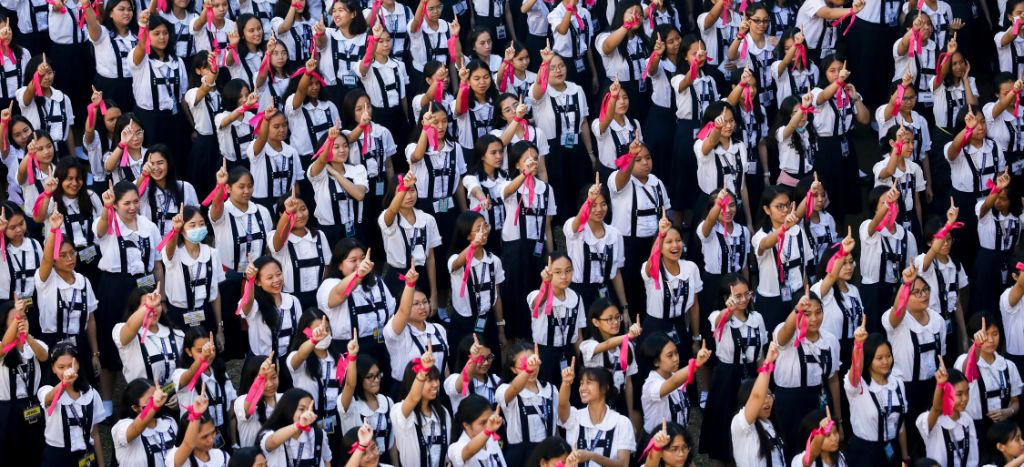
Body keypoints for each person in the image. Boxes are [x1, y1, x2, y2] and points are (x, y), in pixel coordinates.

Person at [701, 275, 768, 464]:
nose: (744, 299)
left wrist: (765, 382)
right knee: (723, 432)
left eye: (747, 293)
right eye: (738, 296)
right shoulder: (718, 316)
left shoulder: (757, 318)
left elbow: (760, 355)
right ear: (726, 297)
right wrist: (729, 309)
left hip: (751, 376)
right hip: (727, 378)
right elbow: (718, 321)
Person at [771, 292, 842, 458]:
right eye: (807, 314)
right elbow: (784, 334)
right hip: (790, 404)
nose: (814, 319)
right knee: (793, 452)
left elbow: (833, 380)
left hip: (819, 403)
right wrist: (798, 310)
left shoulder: (830, 340)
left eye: (818, 312)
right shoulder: (788, 335)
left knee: (820, 452)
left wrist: (838, 419)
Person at [845, 327, 909, 466]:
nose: (885, 361)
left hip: (892, 450)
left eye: (888, 356)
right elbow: (855, 372)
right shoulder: (859, 386)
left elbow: (900, 426)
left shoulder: (897, 382)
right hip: (865, 454)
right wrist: (858, 345)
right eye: (879, 358)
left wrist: (905, 456)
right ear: (869, 359)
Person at [953, 313, 1022, 442]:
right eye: (985, 335)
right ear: (972, 338)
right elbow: (967, 370)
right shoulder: (963, 360)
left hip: (1002, 430)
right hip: (974, 429)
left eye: (995, 334)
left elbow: (1015, 401)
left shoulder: (1009, 366)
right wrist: (977, 346)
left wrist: (1009, 411)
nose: (990, 340)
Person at [38, 341, 106, 466]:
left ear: (78, 365)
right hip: (57, 457)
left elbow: (95, 433)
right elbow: (49, 399)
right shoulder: (46, 390)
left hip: (86, 455)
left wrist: (101, 464)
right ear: (53, 368)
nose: (66, 371)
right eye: (61, 367)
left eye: (70, 366)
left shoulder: (91, 393)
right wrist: (64, 383)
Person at [557, 365, 636, 467]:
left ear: (604, 388)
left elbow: (623, 464)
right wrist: (566, 383)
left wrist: (592, 456)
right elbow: (562, 405)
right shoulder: (575, 417)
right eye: (581, 383)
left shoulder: (621, 423)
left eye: (589, 382)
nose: (582, 388)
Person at [0, 299, 47, 466]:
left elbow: (44, 356)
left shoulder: (33, 344)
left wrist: (27, 337)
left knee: (34, 453)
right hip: (7, 410)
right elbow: (4, 348)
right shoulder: (2, 347)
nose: (20, 322)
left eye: (23, 318)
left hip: (31, 405)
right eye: (15, 319)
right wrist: (18, 319)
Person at [497, 342, 556, 466]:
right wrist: (528, 370)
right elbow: (514, 389)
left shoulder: (550, 389)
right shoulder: (504, 389)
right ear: (513, 369)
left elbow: (556, 425)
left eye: (533, 362)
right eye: (524, 365)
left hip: (548, 453)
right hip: (520, 455)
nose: (531, 368)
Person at [390, 348, 451, 467]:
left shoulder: (443, 412)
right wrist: (423, 372)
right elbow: (413, 398)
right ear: (413, 382)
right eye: (429, 380)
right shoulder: (400, 411)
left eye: (436, 379)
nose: (436, 384)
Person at [579, 298, 639, 417]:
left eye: (617, 317)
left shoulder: (627, 346)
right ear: (596, 322)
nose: (615, 322)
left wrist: (630, 415)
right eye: (609, 319)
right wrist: (628, 336)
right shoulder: (588, 346)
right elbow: (606, 344)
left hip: (619, 405)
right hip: (595, 407)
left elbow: (628, 384)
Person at [731, 342, 787, 466]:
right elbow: (757, 397)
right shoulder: (740, 425)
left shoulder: (770, 425)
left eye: (769, 395)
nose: (766, 400)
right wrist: (768, 362)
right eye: (763, 396)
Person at [915, 363, 978, 467]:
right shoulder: (934, 421)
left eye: (967, 392)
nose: (965, 398)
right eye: (959, 394)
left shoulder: (967, 420)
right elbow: (936, 408)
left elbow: (973, 457)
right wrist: (940, 385)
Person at [257, 387, 332, 466]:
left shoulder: (319, 434)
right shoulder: (271, 433)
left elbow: (327, 461)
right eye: (302, 409)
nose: (307, 414)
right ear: (288, 408)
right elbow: (272, 442)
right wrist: (298, 425)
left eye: (310, 409)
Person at [110, 378, 177, 466]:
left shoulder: (168, 422)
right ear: (135, 408)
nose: (157, 402)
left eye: (157, 397)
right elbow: (136, 428)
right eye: (150, 401)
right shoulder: (122, 426)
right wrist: (153, 405)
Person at [448, 394, 507, 466]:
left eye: (490, 420)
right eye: (483, 423)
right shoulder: (455, 448)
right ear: (466, 425)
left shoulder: (490, 438)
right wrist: (487, 432)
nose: (488, 425)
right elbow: (469, 450)